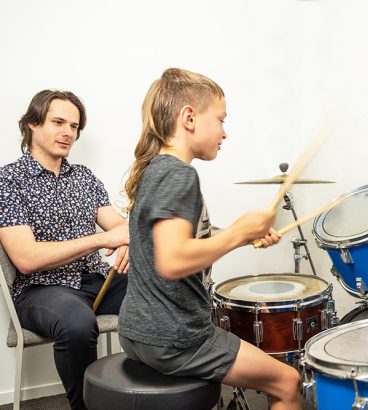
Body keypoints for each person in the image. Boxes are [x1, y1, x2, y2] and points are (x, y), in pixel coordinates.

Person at [119, 68, 301, 409]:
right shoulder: (179, 175)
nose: (224, 132)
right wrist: (237, 233)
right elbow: (172, 260)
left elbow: (174, 240)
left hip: (136, 331)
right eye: (220, 119)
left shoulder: (155, 169)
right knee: (288, 382)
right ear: (189, 117)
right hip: (174, 338)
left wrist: (245, 237)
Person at [0, 90, 130, 409]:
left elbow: (119, 226)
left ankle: (148, 393)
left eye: (74, 126)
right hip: (40, 290)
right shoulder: (8, 181)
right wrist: (100, 240)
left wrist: (126, 239)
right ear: (32, 123)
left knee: (161, 293)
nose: (68, 132)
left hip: (95, 280)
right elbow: (27, 259)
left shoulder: (84, 177)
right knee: (76, 322)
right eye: (58, 122)